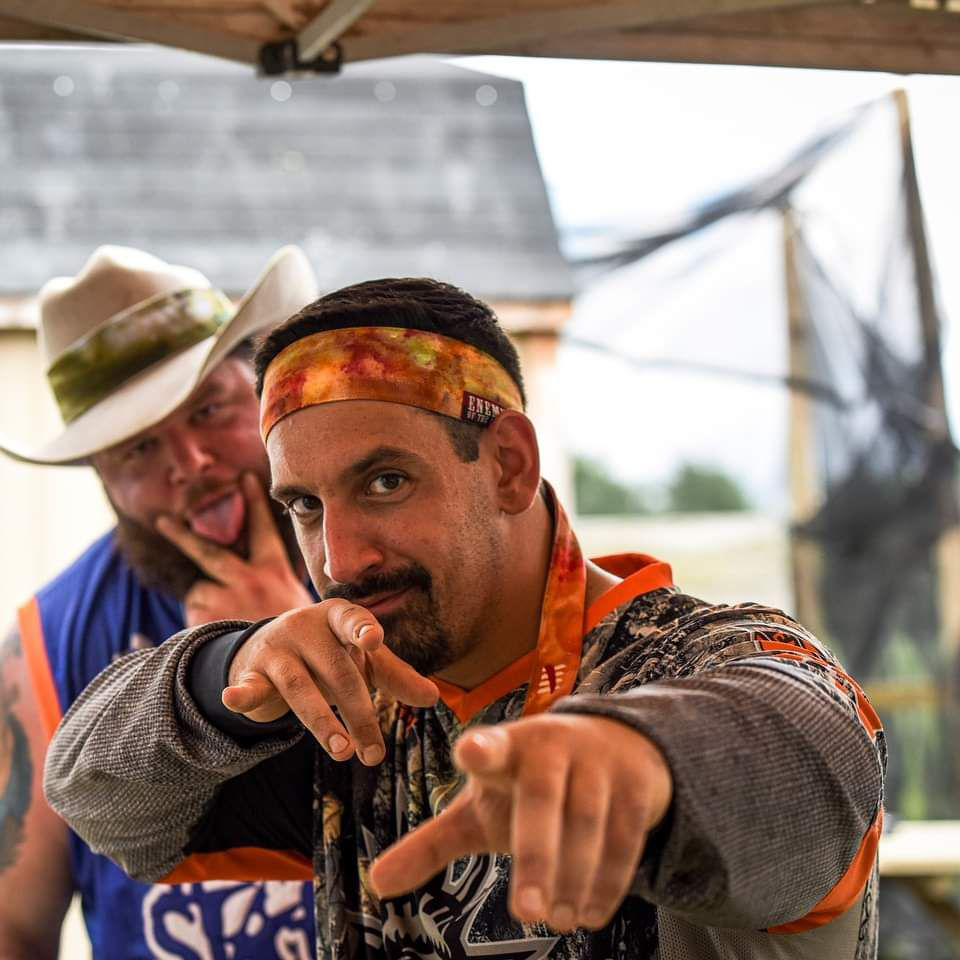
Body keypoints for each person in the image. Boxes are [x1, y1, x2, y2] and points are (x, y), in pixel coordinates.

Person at [45, 278, 886, 960]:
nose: (340, 561)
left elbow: (806, 744)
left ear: (510, 465)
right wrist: (224, 673)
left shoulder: (707, 659)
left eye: (385, 482)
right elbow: (96, 796)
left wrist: (642, 761)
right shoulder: (359, 709)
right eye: (303, 505)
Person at [0, 245, 323, 960]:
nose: (188, 464)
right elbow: (13, 927)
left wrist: (293, 625)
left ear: (267, 390)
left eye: (209, 409)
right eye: (138, 451)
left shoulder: (383, 564)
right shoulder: (45, 643)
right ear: (103, 479)